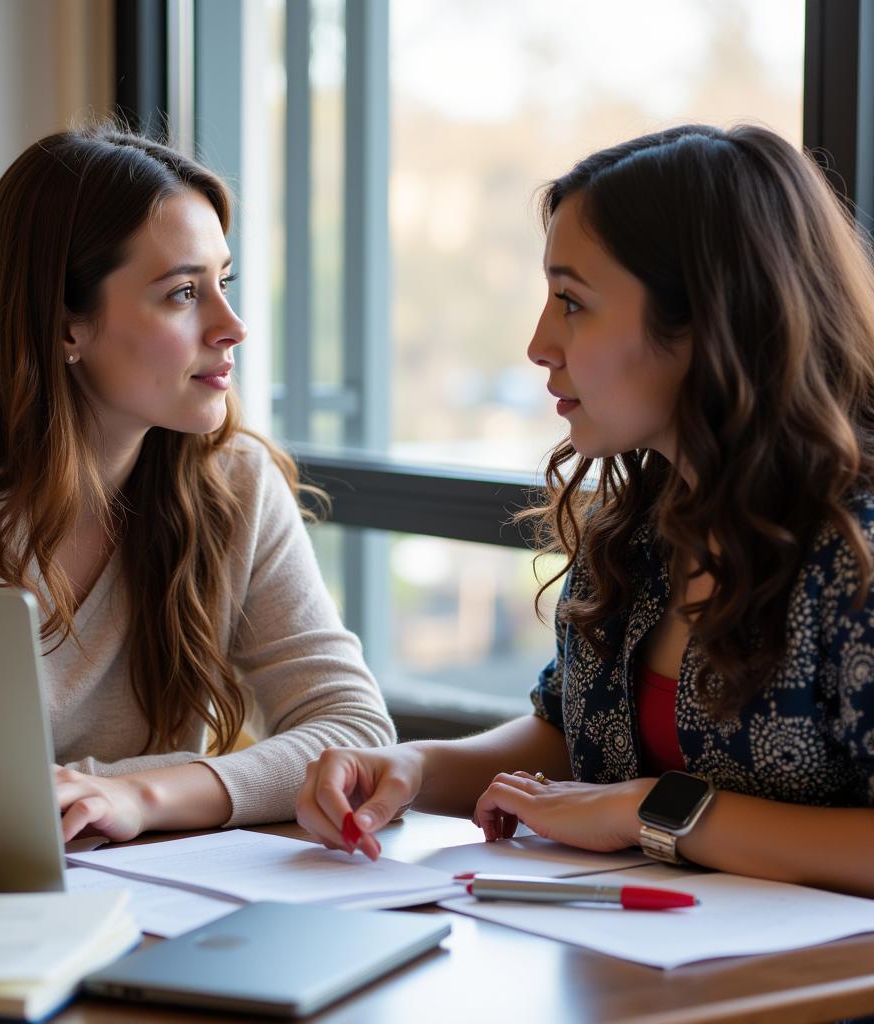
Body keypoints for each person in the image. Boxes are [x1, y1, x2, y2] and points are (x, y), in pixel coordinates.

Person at [296, 123, 874, 898]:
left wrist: (653, 811)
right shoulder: (638, 528)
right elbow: (567, 736)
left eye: (571, 302)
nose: (538, 343)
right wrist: (411, 766)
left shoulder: (854, 549)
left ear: (708, 320)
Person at [0, 123, 394, 841]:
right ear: (66, 325)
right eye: (182, 293)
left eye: (223, 283)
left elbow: (354, 730)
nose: (232, 325)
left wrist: (141, 796)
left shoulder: (232, 484)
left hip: (155, 911)